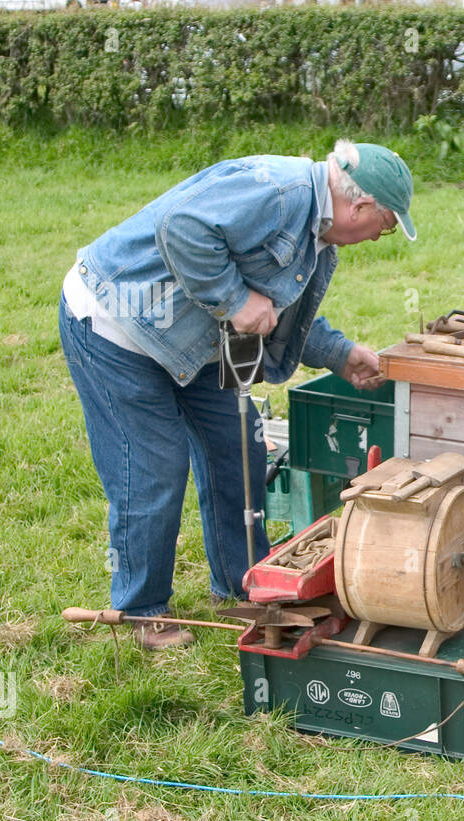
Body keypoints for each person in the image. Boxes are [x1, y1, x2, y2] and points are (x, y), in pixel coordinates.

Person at [58, 140, 415, 649]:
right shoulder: (279, 191)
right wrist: (233, 298)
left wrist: (340, 353)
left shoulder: (318, 236)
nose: (377, 239)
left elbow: (276, 314)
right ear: (358, 206)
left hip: (200, 341)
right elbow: (180, 227)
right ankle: (141, 610)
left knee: (239, 447)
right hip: (119, 325)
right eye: (382, 227)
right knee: (152, 465)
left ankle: (243, 583)